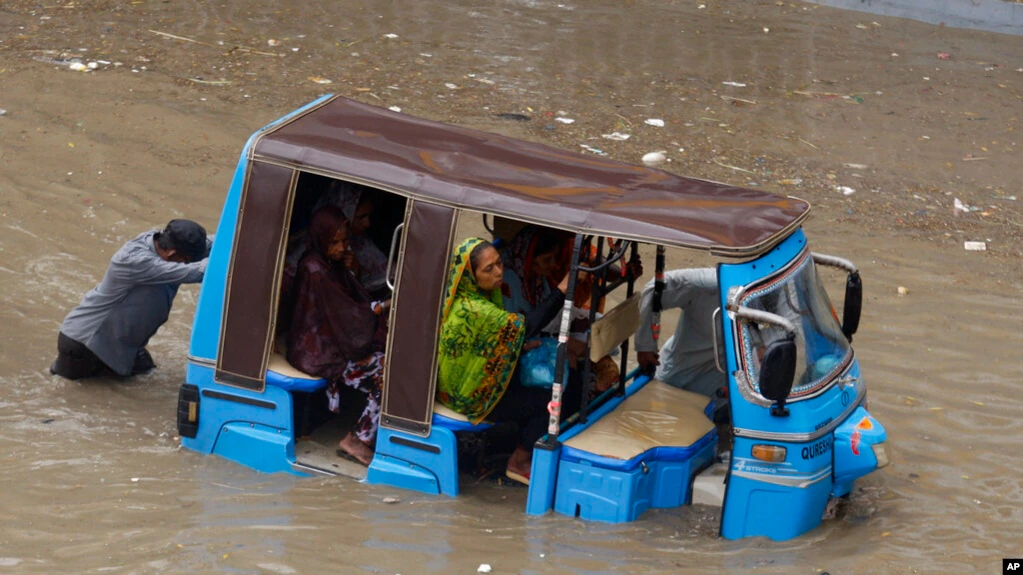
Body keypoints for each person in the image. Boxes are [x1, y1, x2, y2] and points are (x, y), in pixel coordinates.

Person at [437, 238, 580, 486]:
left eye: (499, 263)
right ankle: (519, 461)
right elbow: (524, 327)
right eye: (488, 269)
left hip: (479, 377)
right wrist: (561, 290)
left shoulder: (485, 296)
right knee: (550, 402)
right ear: (471, 275)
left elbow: (495, 341)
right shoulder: (474, 308)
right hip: (468, 394)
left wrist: (517, 347)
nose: (498, 272)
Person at [286, 206, 390, 465]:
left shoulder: (329, 263)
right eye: (335, 242)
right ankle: (357, 439)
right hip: (317, 350)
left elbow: (349, 303)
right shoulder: (316, 270)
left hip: (330, 340)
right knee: (386, 374)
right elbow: (347, 315)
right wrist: (383, 306)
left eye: (345, 241)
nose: (342, 247)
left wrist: (351, 270)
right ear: (322, 239)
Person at [51, 219, 213, 380]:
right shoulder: (135, 261)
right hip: (87, 344)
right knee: (72, 390)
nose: (190, 263)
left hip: (123, 344)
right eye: (188, 260)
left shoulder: (166, 245)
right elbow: (199, 272)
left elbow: (213, 244)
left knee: (146, 380)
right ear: (172, 254)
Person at [635, 268, 727, 397]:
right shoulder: (710, 284)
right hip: (675, 376)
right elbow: (655, 288)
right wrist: (645, 346)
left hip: (724, 388)